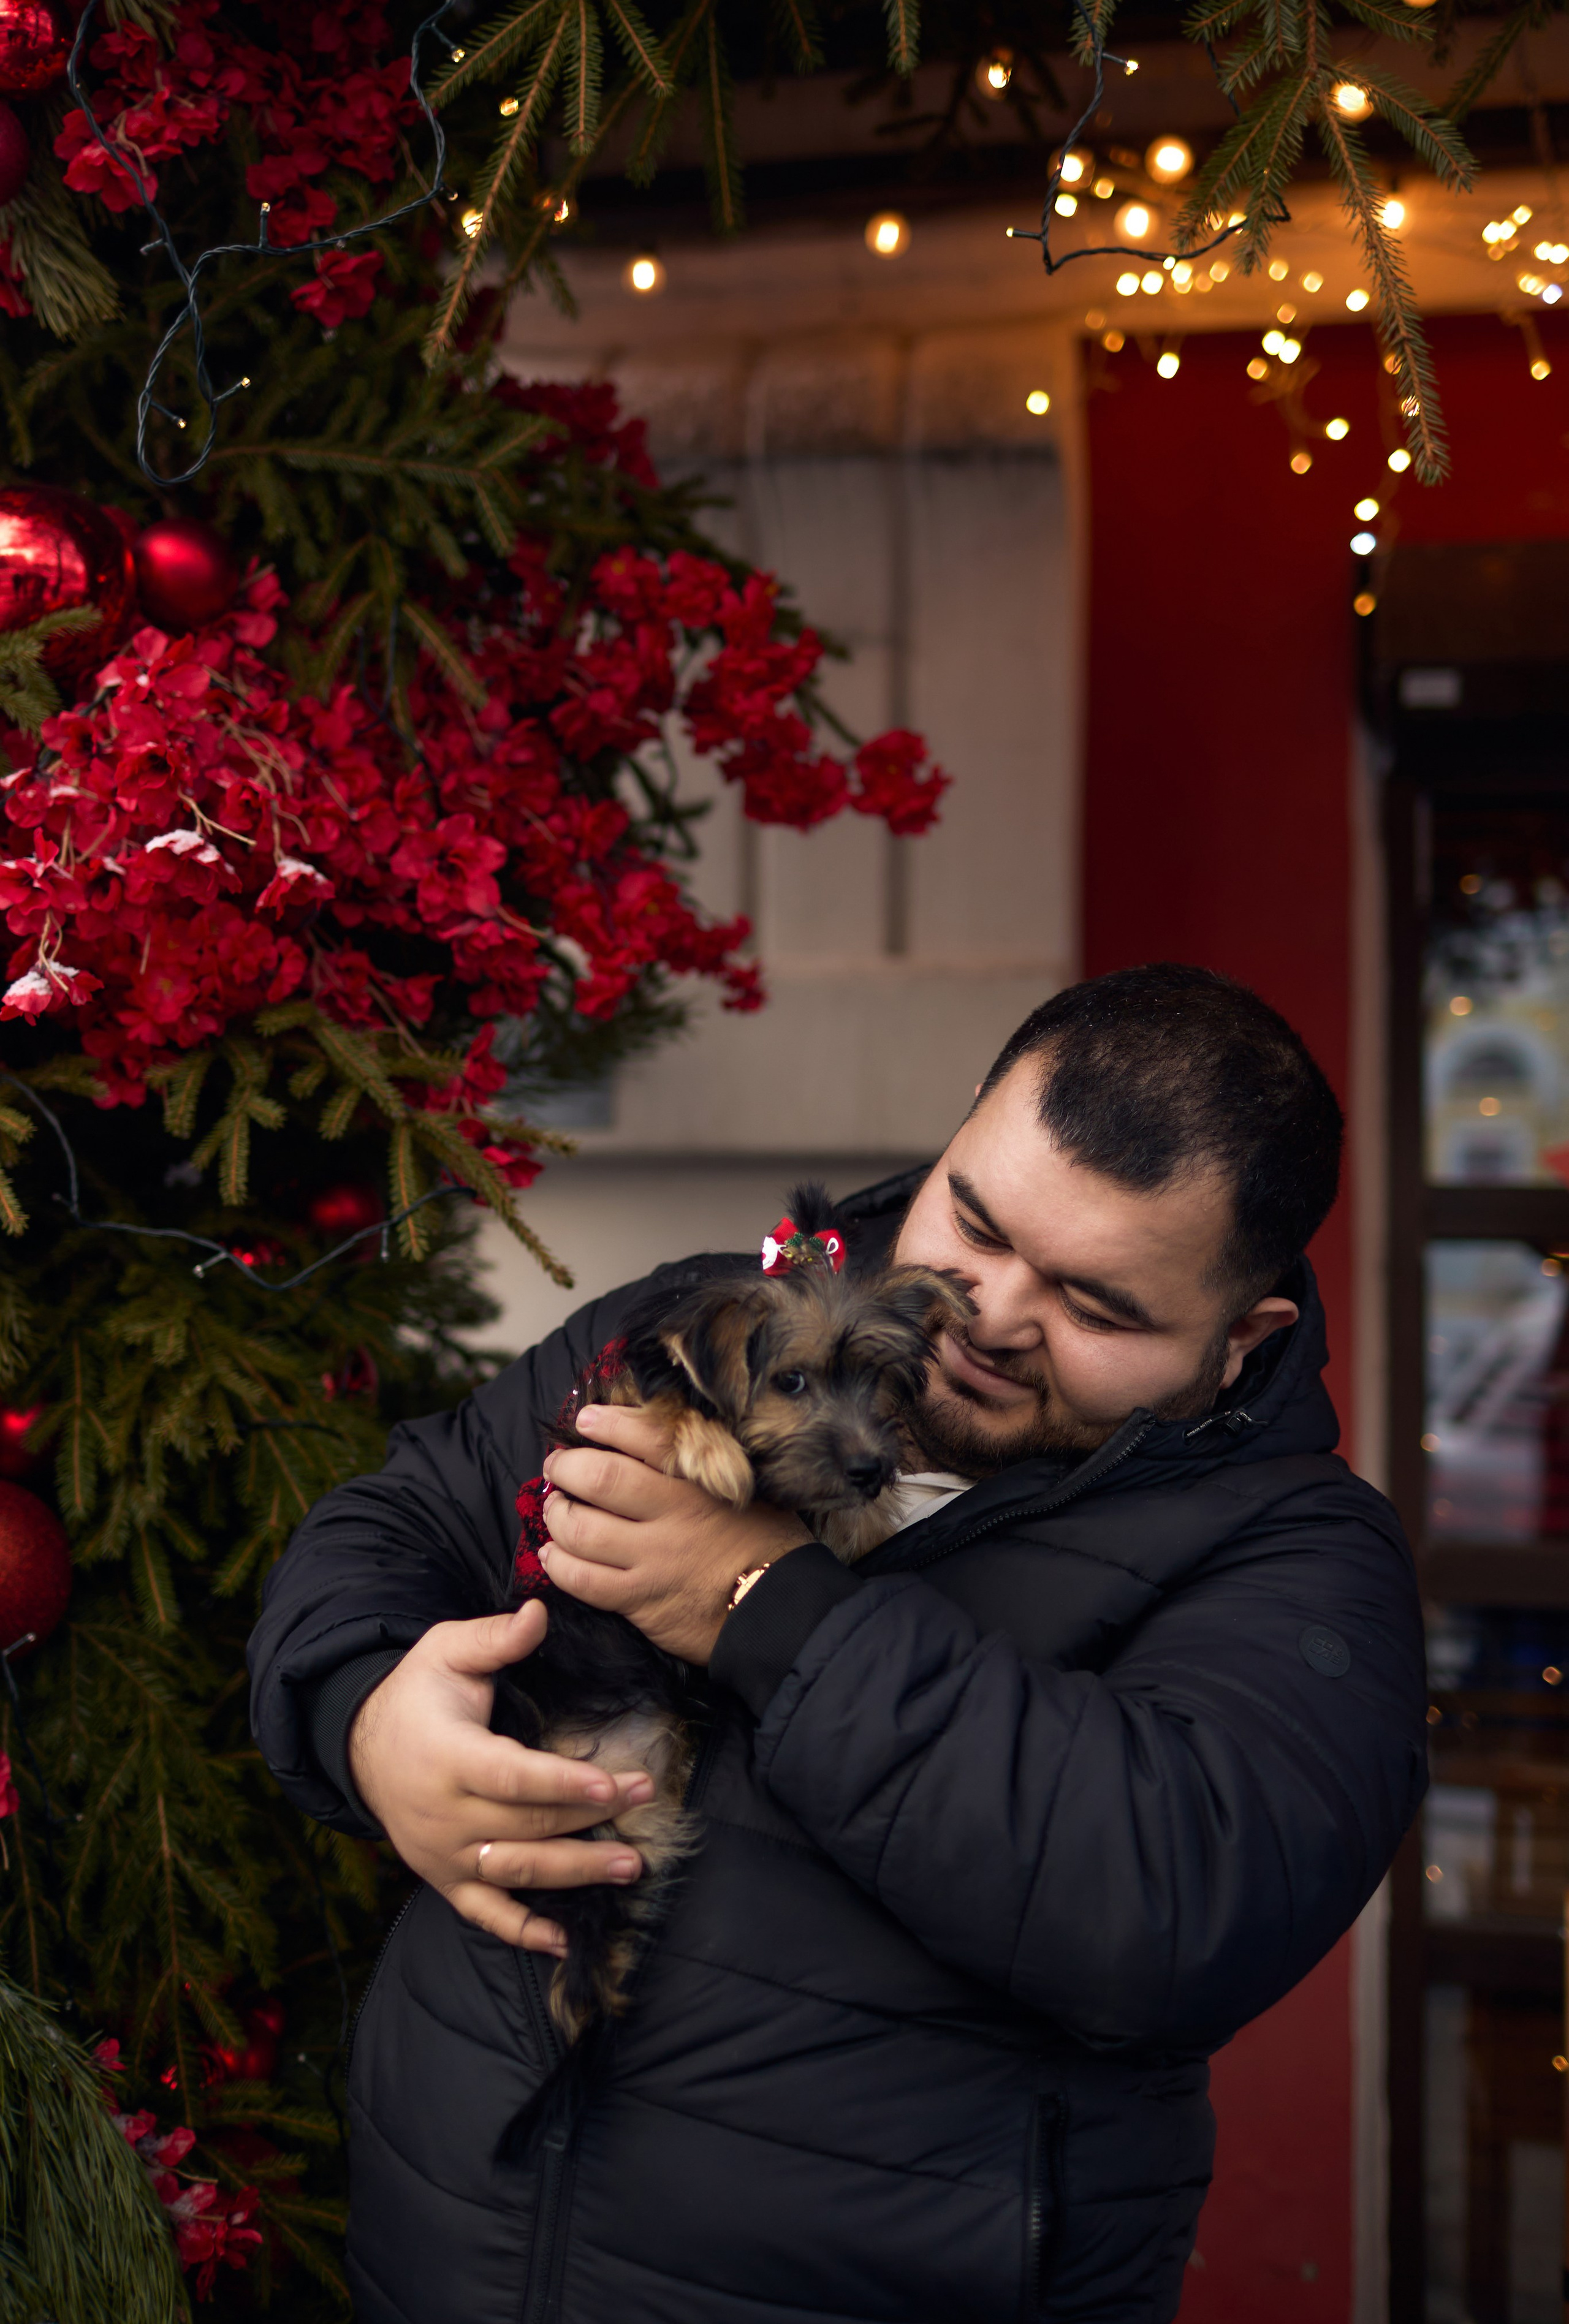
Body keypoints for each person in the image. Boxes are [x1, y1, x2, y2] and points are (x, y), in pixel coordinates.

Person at [249, 963, 1427, 2324]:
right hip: (436, 2268)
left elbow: (1166, 1908)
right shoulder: (706, 1326)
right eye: (973, 1223)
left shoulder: (1300, 1562)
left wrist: (758, 1601)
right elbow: (402, 1514)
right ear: (958, 1131)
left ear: (1239, 1338)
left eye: (1096, 1308)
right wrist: (368, 1714)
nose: (988, 1316)